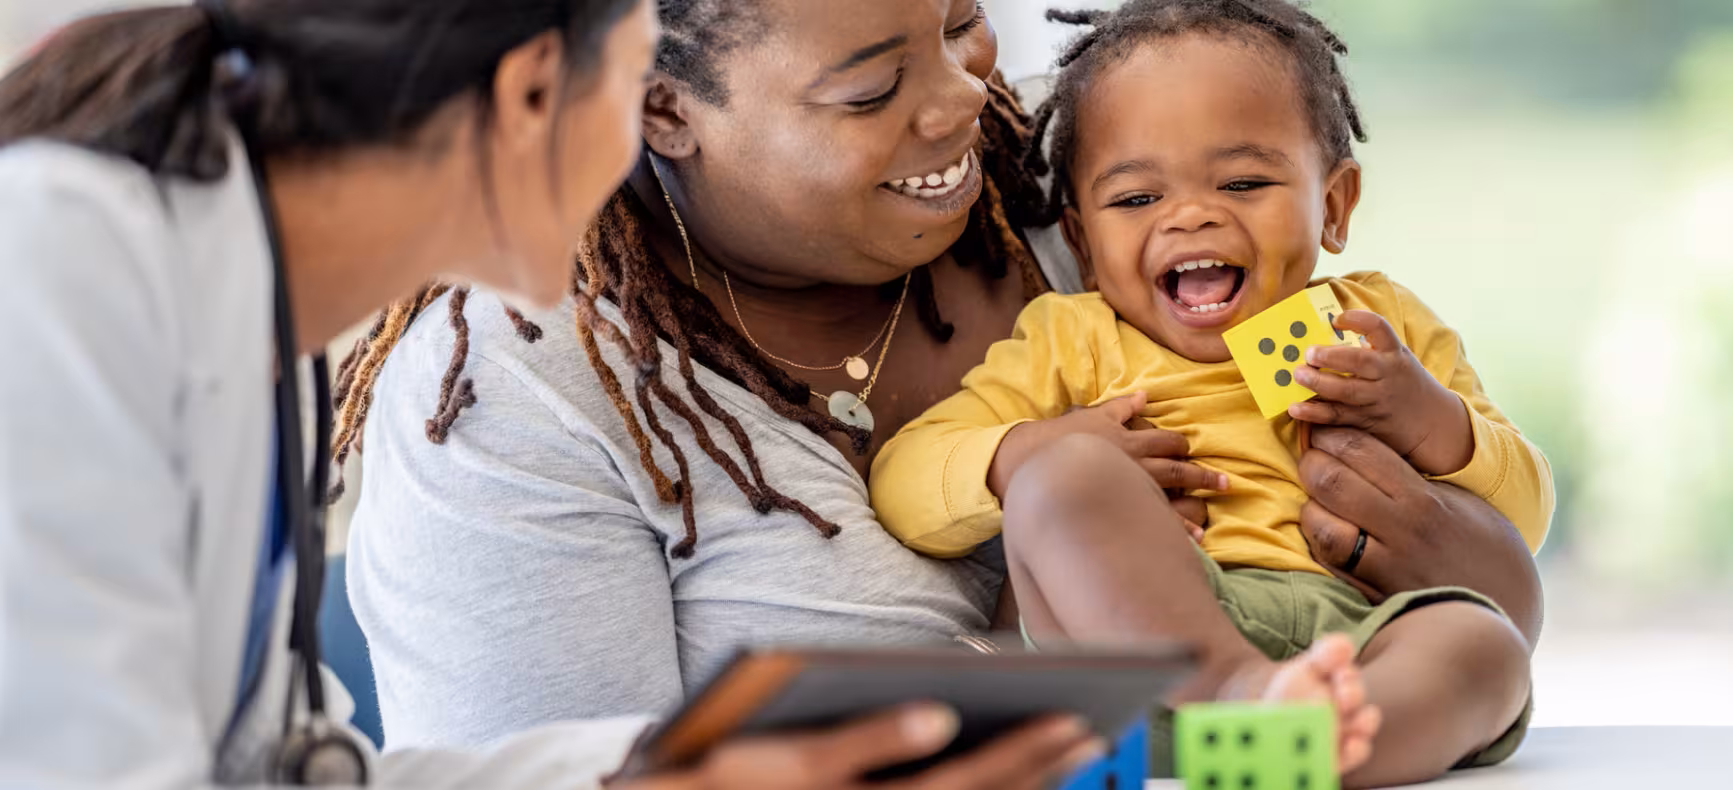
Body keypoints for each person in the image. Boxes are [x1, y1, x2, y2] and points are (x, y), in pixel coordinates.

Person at [336, 0, 1549, 765]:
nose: (964, 99)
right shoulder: (524, 390)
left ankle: (1295, 737)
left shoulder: (1096, 219)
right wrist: (1034, 462)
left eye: (962, 20)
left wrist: (1440, 511)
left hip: (1319, 680)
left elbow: (1496, 570)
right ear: (662, 108)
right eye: (868, 87)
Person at [0, 1, 1096, 787]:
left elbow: (285, 770)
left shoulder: (249, 321)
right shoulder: (61, 273)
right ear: (535, 92)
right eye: (633, 89)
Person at [869, 1, 1546, 785]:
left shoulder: (1376, 327)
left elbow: (1523, 511)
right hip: (1146, 657)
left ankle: (1317, 747)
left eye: (1244, 181)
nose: (1191, 215)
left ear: (1333, 205)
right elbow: (905, 481)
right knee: (1063, 481)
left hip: (1357, 642)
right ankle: (1242, 695)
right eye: (1135, 200)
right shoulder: (1072, 337)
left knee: (1483, 642)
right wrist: (1029, 453)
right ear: (1084, 244)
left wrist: (1430, 419)